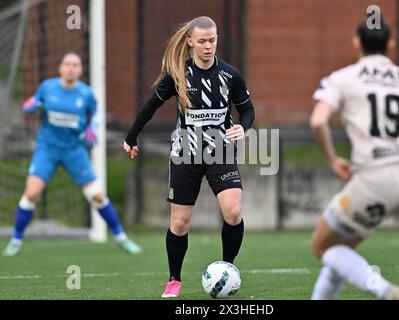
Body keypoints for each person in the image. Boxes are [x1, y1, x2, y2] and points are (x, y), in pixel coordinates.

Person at [309, 19, 399, 300]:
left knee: (321, 246)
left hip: (374, 178)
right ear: (391, 45)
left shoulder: (343, 78)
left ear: (356, 42)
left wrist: (332, 158)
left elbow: (318, 121)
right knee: (342, 248)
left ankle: (386, 291)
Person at [123, 16, 255, 298]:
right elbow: (150, 107)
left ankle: (226, 270)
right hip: (186, 153)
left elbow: (248, 111)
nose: (209, 46)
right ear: (191, 42)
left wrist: (242, 128)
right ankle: (174, 280)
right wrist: (131, 137)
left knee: (233, 212)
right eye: (203, 41)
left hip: (220, 152)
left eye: (213, 40)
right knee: (180, 223)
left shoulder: (230, 76)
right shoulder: (178, 75)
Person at [2, 52, 142, 256]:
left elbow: (95, 114)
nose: (70, 68)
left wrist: (92, 129)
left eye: (75, 64)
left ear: (80, 70)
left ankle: (121, 237)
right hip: (47, 148)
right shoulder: (48, 87)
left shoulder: (85, 93)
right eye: (67, 64)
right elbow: (29, 104)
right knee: (31, 193)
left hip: (74, 150)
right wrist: (31, 106)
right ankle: (15, 240)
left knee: (97, 196)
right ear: (60, 68)